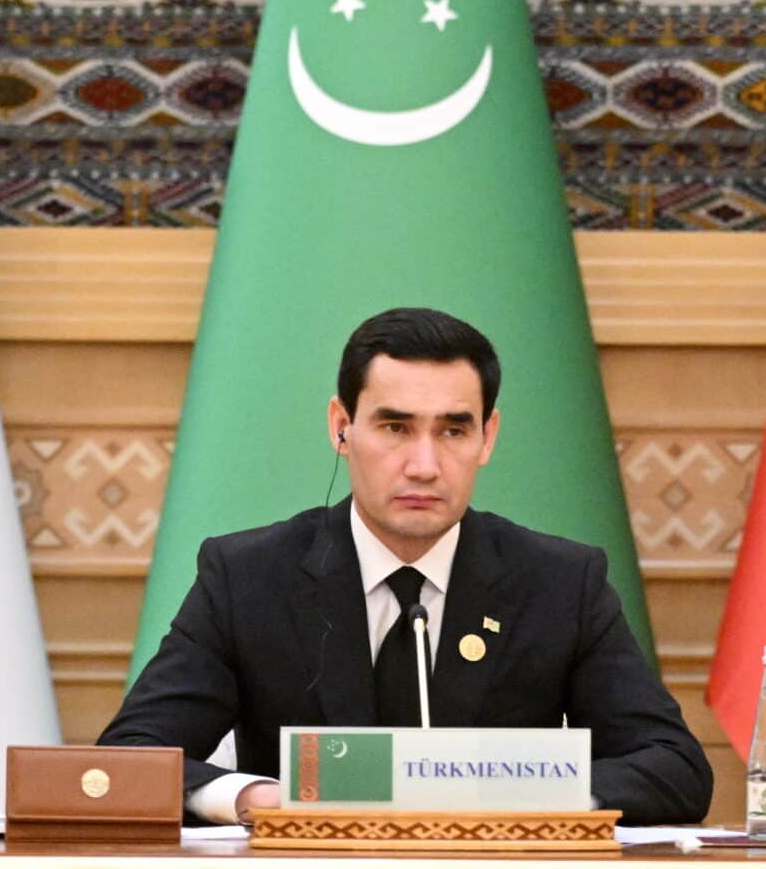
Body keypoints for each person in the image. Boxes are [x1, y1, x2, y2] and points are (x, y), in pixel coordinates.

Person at [101, 307, 715, 825]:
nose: (424, 464)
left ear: (488, 438)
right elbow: (131, 758)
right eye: (395, 427)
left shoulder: (558, 581)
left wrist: (514, 800)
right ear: (342, 428)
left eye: (453, 431)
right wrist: (262, 798)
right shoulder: (248, 576)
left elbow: (674, 767)